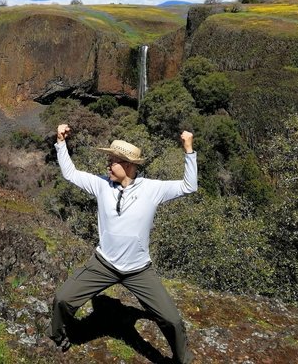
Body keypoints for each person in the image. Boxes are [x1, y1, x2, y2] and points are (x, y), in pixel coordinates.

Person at [46, 124, 197, 363]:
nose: (108, 165)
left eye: (113, 161)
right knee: (62, 299)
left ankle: (183, 360)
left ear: (127, 166)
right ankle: (58, 336)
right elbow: (71, 174)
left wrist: (189, 150)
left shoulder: (152, 189)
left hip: (138, 270)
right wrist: (61, 143)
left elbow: (189, 186)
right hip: (103, 264)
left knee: (173, 321)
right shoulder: (101, 185)